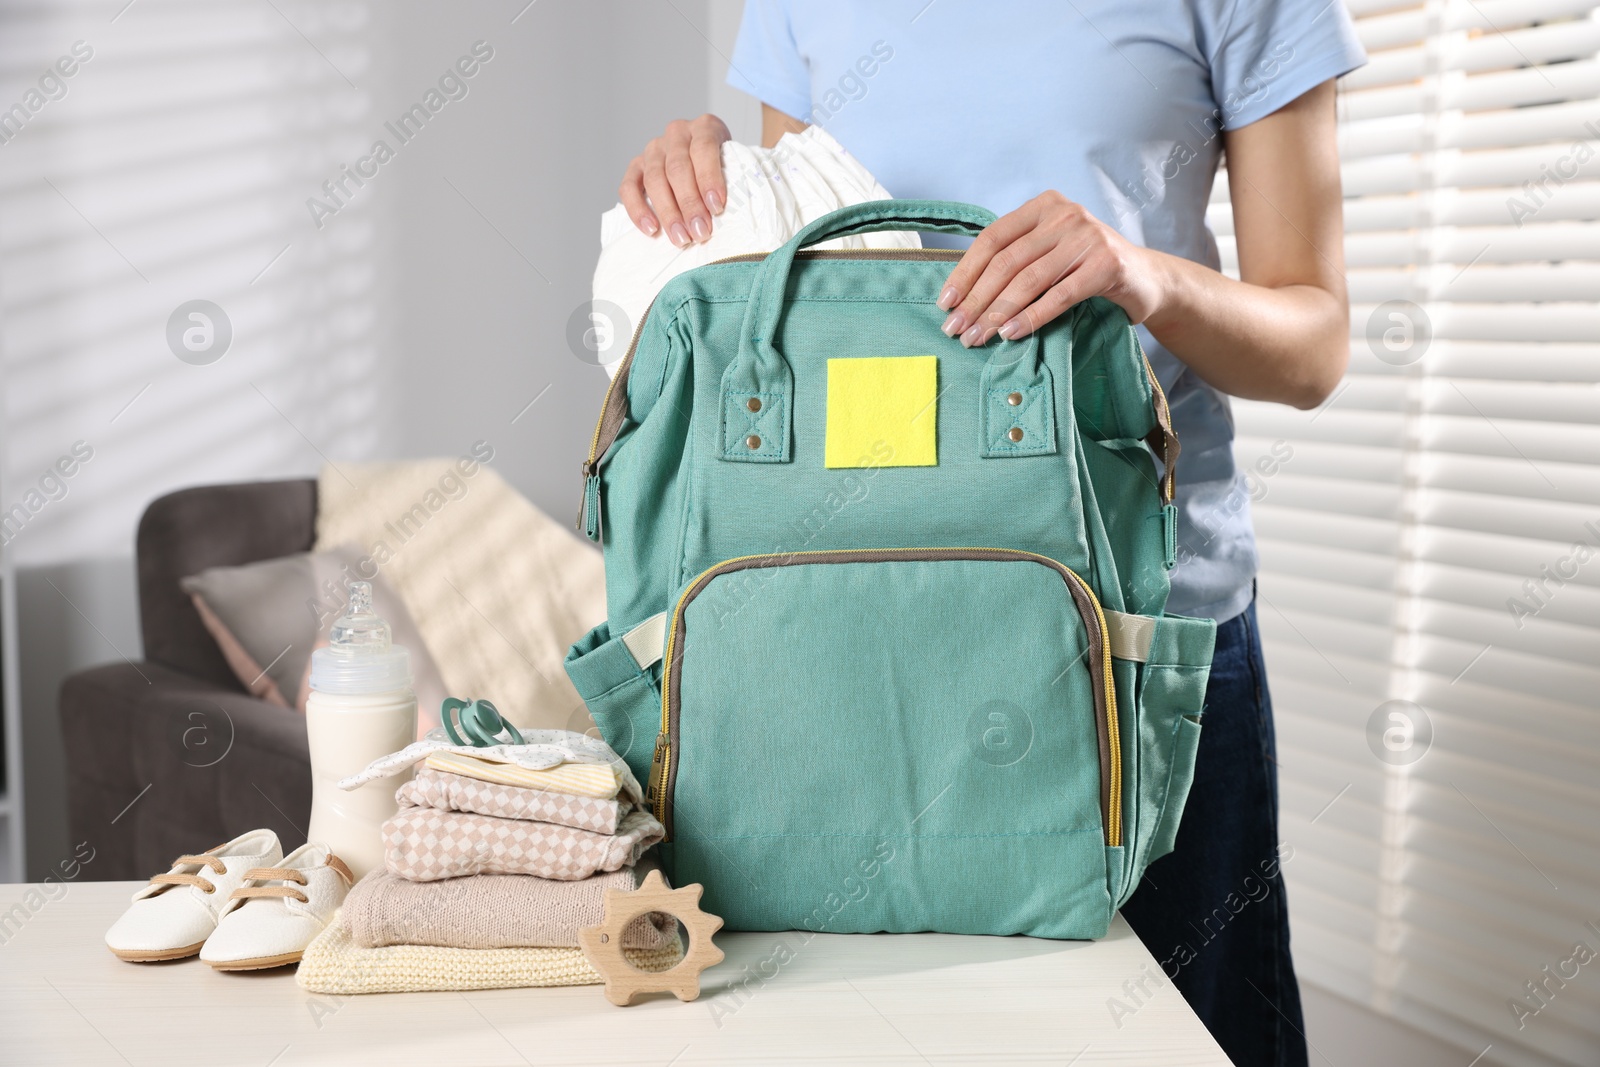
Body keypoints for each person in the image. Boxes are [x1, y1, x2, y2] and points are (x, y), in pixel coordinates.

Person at [617, 4, 1366, 1064]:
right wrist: (714, 197)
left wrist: (1140, 275)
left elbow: (1313, 345)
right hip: (845, 623)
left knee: (1200, 1033)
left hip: (1138, 641)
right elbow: (817, 288)